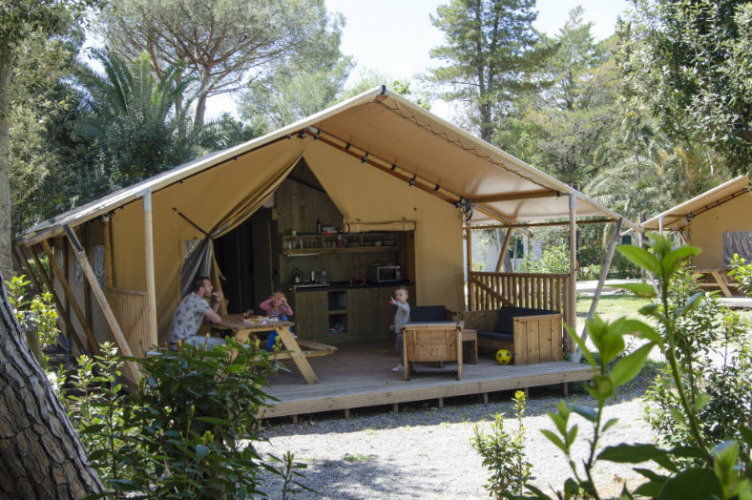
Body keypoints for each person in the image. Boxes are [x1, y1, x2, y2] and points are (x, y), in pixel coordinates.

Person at [168, 275, 225, 350]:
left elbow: (208, 319)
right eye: (209, 285)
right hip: (182, 343)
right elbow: (217, 320)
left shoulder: (190, 296)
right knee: (224, 343)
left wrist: (217, 302)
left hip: (175, 342)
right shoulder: (199, 301)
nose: (212, 287)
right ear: (201, 289)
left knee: (212, 341)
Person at [389, 286, 410, 373]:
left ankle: (403, 365)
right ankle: (403, 364)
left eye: (400, 295)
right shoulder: (400, 307)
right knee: (398, 348)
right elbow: (400, 320)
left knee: (402, 350)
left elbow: (405, 309)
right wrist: (394, 326)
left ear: (406, 296)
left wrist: (396, 303)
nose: (398, 297)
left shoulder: (405, 306)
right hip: (398, 331)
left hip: (402, 332)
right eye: (396, 295)